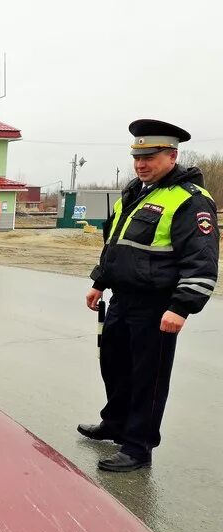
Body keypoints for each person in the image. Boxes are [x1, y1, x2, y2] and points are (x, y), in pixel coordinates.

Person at [81, 119, 219, 472]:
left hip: (156, 306)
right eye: (137, 157)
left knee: (148, 378)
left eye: (150, 157)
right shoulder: (135, 191)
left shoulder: (191, 200)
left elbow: (200, 260)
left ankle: (138, 446)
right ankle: (114, 423)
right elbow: (116, 244)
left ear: (172, 156)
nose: (141, 164)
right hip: (122, 300)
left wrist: (181, 307)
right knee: (114, 366)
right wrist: (100, 281)